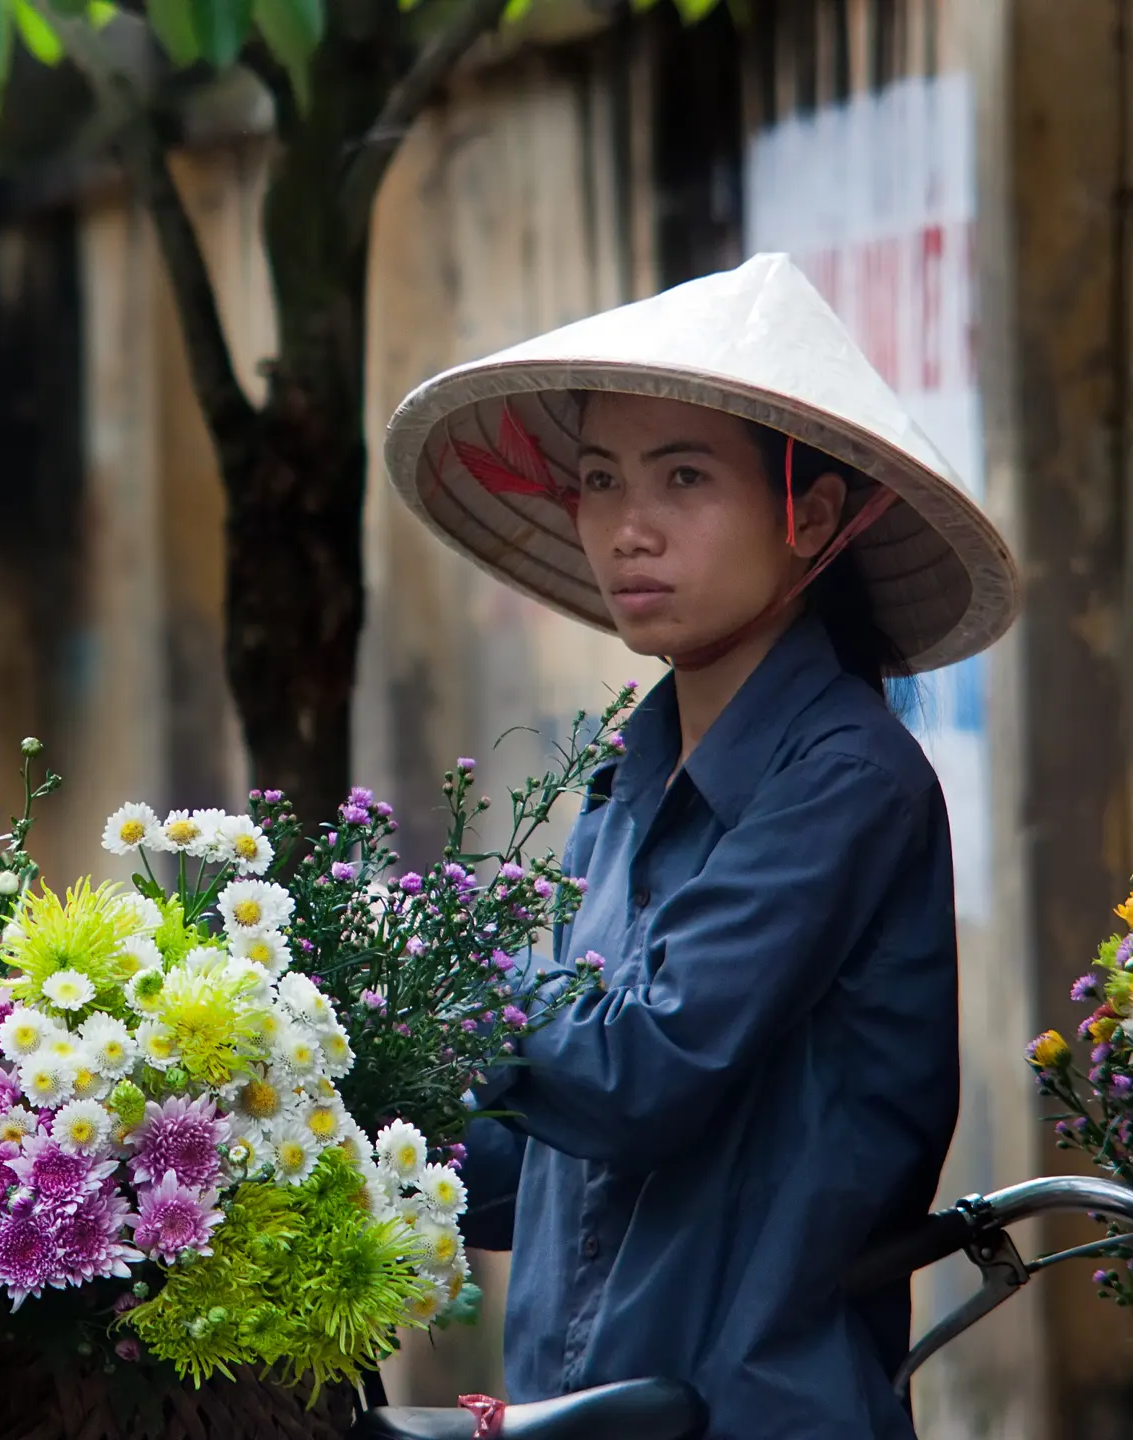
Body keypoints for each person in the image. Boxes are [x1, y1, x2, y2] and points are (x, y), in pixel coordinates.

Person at [380, 255, 1020, 1440]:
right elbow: (544, 1163)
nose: (630, 527)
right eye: (601, 479)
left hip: (754, 1410)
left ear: (810, 516)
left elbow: (641, 1073)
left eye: (684, 477)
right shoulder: (627, 776)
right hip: (584, 1410)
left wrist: (429, 997)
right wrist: (325, 1120)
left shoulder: (845, 777)